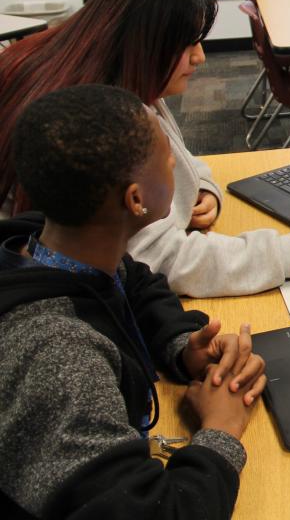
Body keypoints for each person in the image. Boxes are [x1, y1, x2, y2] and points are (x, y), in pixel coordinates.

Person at [0, 0, 290, 298]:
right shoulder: (102, 122)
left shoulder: (101, 69)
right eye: (187, 45)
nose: (200, 58)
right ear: (146, 46)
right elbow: (159, 259)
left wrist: (198, 186)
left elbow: (167, 153)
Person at [0, 84, 267, 517]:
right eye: (168, 161)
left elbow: (135, 282)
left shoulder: (51, 244)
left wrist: (183, 346)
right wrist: (222, 430)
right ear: (136, 199)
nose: (180, 171)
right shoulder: (58, 362)